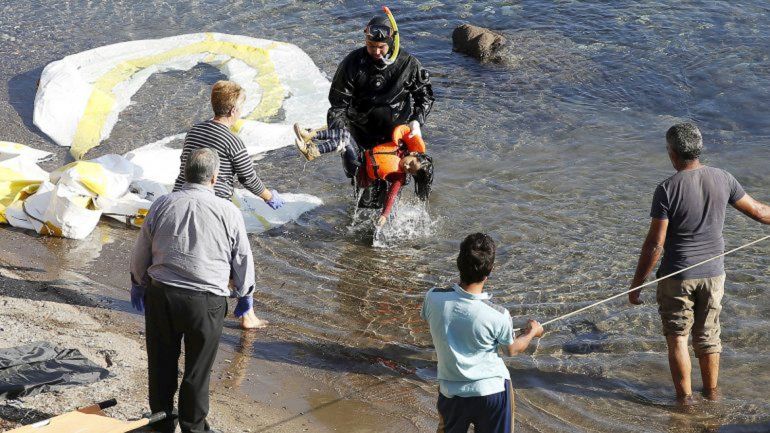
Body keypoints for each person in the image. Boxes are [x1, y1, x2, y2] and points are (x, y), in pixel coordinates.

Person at [628, 123, 770, 403]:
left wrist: (637, 285)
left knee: (678, 337)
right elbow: (761, 212)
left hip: (677, 277)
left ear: (672, 152)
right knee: (708, 336)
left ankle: (686, 401)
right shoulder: (724, 178)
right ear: (698, 149)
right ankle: (712, 395)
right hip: (714, 275)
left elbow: (655, 244)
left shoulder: (666, 189)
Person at [130, 148, 256, 433]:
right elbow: (243, 259)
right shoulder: (228, 211)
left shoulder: (162, 204)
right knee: (197, 371)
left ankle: (161, 422)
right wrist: (245, 296)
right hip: (206, 302)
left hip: (162, 295)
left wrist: (138, 284)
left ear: (185, 174)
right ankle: (193, 427)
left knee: (161, 362)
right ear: (214, 178)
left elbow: (141, 250)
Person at [173, 80, 281, 328]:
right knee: (239, 255)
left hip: (180, 195)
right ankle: (247, 314)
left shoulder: (195, 131)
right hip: (213, 205)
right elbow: (249, 179)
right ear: (233, 111)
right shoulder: (233, 142)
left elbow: (183, 164)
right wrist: (269, 197)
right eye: (241, 106)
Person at [422, 233, 545, 433]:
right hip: (492, 393)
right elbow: (512, 350)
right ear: (490, 271)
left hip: (451, 393)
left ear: (458, 263)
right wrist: (532, 333)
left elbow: (443, 321)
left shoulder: (433, 297)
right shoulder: (499, 315)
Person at [294, 8, 434, 181]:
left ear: (390, 43)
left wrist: (416, 121)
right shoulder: (353, 63)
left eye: (381, 47)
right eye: (371, 46)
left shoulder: (408, 64)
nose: (376, 52)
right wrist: (339, 133)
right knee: (361, 180)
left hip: (395, 137)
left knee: (391, 177)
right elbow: (338, 106)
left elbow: (425, 96)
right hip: (361, 135)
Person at [297, 124, 433, 226]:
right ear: (414, 154)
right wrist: (415, 125)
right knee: (344, 134)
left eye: (410, 170)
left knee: (343, 141)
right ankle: (311, 135)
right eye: (410, 163)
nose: (406, 167)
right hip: (361, 157)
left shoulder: (399, 177)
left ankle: (312, 152)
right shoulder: (400, 146)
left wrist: (385, 215)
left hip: (359, 170)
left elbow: (392, 195)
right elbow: (407, 128)